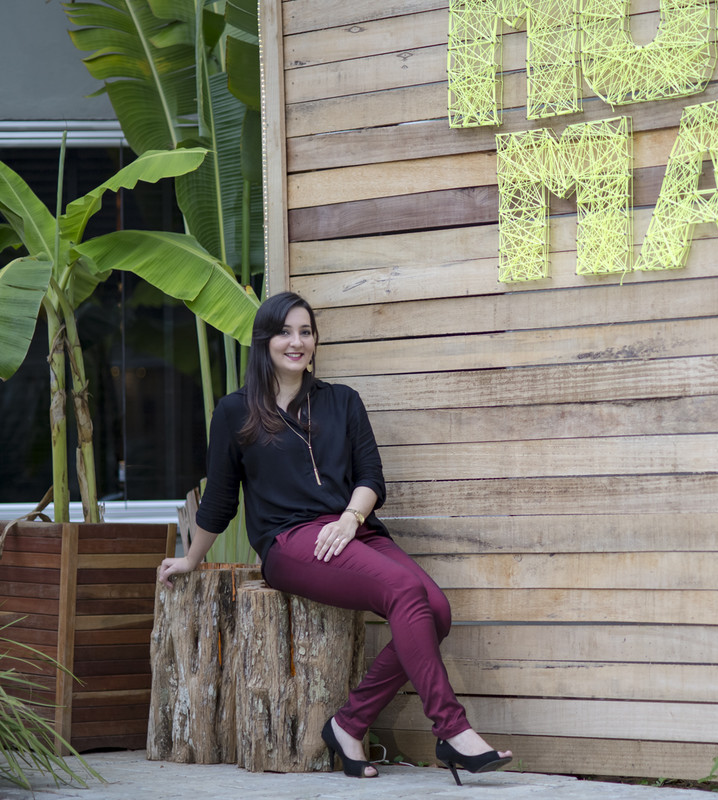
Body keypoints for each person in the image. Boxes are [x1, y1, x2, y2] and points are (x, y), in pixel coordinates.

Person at [157, 291, 512, 783]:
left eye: (306, 331)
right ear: (264, 341)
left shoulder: (342, 401)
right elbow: (220, 500)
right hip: (289, 543)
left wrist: (348, 521)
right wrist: (191, 559)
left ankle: (348, 725)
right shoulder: (235, 412)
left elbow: (372, 477)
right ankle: (452, 730)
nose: (296, 342)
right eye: (285, 332)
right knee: (405, 592)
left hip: (352, 530)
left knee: (438, 611)